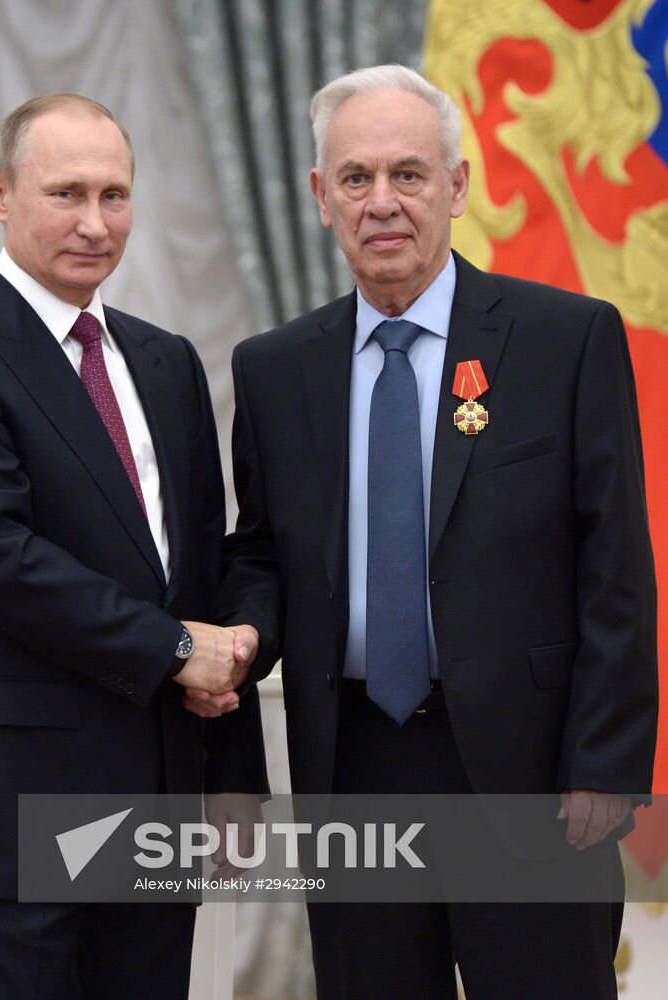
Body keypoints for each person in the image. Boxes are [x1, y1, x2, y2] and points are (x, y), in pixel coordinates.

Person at [204, 65, 658, 998]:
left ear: (456, 187)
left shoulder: (565, 339)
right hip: (355, 765)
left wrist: (605, 763)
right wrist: (242, 635)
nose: (383, 202)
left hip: (530, 772)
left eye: (408, 175)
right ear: (320, 198)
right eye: (357, 178)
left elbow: (616, 563)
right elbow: (261, 551)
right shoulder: (274, 369)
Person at [0, 93, 266, 1000]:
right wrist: (177, 650)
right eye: (66, 194)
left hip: (161, 798)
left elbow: (199, 570)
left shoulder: (167, 360)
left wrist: (234, 774)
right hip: (19, 807)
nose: (95, 224)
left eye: (115, 195)